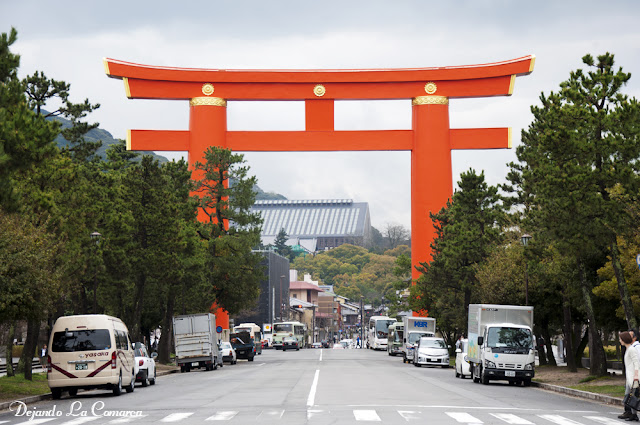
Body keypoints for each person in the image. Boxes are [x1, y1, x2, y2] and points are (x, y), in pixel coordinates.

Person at [620, 331, 640, 421]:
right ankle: (633, 414)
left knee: (631, 396)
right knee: (629, 396)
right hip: (629, 377)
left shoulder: (632, 349)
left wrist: (636, 376)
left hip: (633, 377)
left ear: (624, 339)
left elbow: (637, 363)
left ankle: (634, 414)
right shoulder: (628, 349)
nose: (620, 341)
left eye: (620, 339)